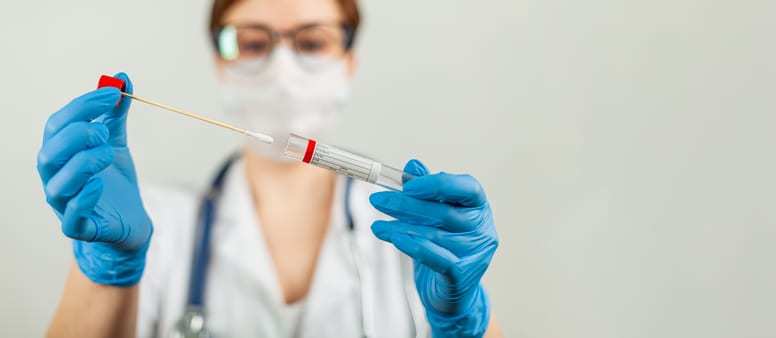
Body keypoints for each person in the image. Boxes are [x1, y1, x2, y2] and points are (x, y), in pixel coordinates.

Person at [36, 0, 502, 337]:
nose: (282, 69)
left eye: (313, 41)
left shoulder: (415, 235)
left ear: (350, 61)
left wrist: (463, 325)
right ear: (221, 62)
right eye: (253, 42)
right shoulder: (153, 228)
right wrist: (107, 271)